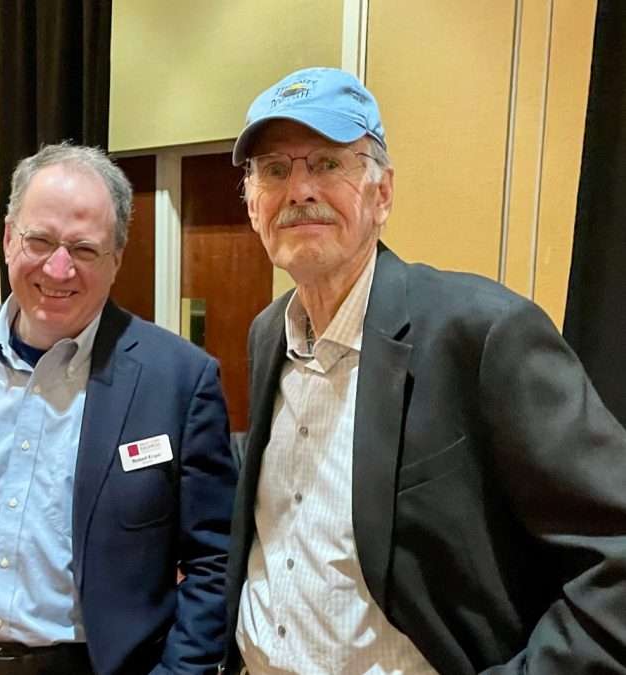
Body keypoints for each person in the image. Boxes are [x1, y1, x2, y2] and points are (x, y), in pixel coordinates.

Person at [221, 67, 626, 674]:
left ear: (381, 194)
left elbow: (615, 554)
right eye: (275, 170)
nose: (299, 188)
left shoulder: (484, 333)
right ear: (253, 204)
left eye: (328, 164)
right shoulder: (265, 336)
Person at [0, 143, 236, 675]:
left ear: (117, 258)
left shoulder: (179, 380)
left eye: (84, 249)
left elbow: (216, 561)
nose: (58, 267)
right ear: (9, 239)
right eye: (40, 240)